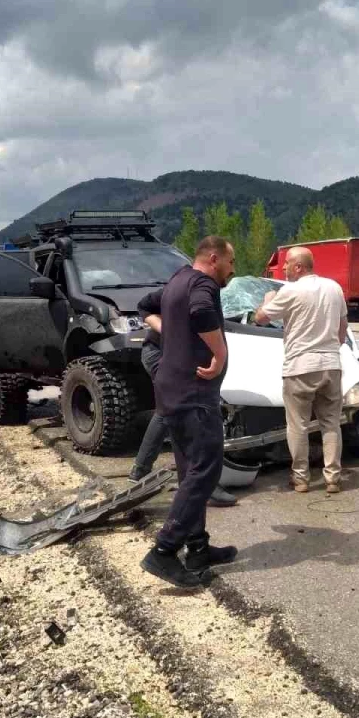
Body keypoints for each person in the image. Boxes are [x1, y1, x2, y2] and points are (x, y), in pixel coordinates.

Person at [136, 236, 238, 589]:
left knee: (189, 472)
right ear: (214, 258)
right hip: (194, 394)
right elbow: (200, 311)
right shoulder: (201, 283)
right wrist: (220, 353)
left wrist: (169, 330)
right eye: (230, 262)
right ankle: (164, 551)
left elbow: (144, 305)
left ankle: (197, 549)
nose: (232, 270)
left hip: (172, 389)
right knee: (205, 473)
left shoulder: (177, 278)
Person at [254, 246, 350, 494]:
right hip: (331, 363)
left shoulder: (290, 291)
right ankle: (333, 477)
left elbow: (260, 318)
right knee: (331, 424)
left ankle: (301, 478)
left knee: (298, 425)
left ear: (299, 266)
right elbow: (343, 328)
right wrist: (331, 346)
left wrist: (267, 300)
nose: (283, 268)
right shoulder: (334, 288)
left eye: (286, 263)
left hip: (299, 366)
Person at [128, 314, 238, 506]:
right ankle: (201, 485)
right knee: (182, 411)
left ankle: (144, 471)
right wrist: (169, 331)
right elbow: (145, 307)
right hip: (162, 353)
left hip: (177, 354)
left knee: (169, 411)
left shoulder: (201, 289)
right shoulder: (194, 290)